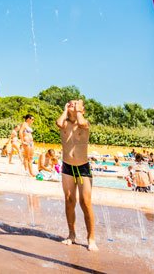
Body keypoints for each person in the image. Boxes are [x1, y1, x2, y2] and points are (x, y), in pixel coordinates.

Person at [56, 99, 97, 251]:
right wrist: (66, 110)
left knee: (85, 203)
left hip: (83, 168)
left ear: (83, 110)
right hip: (67, 167)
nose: (72, 104)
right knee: (69, 200)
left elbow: (81, 122)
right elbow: (59, 123)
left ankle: (91, 238)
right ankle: (71, 234)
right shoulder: (64, 123)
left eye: (76, 103)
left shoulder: (84, 123)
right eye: (70, 103)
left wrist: (79, 110)